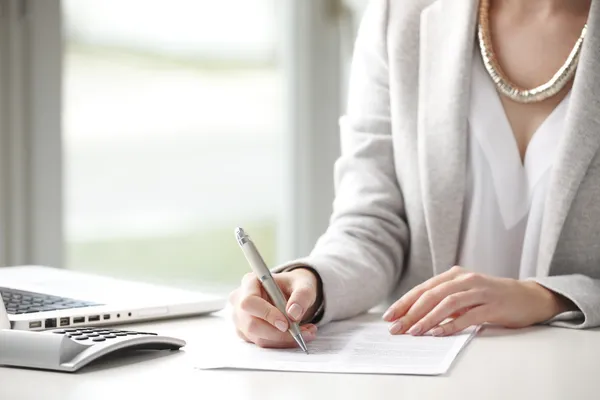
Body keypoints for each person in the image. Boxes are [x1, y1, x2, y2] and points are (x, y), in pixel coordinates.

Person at [229, 0, 600, 348]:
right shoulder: (401, 15)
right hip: (426, 380)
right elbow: (373, 224)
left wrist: (548, 298)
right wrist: (312, 283)